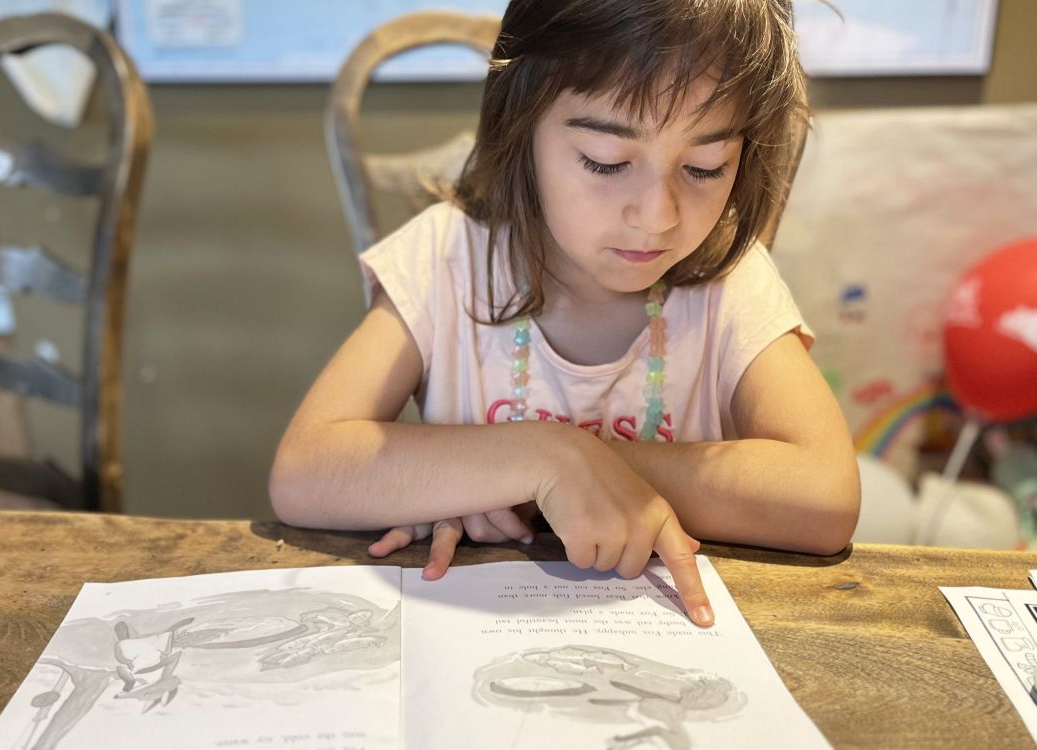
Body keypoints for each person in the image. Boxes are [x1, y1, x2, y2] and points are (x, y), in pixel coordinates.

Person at [270, 0, 860, 628]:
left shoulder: (727, 283)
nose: (657, 214)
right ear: (520, 130)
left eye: (703, 168)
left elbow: (825, 497)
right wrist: (540, 460)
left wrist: (543, 476)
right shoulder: (447, 259)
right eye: (606, 161)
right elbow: (306, 469)